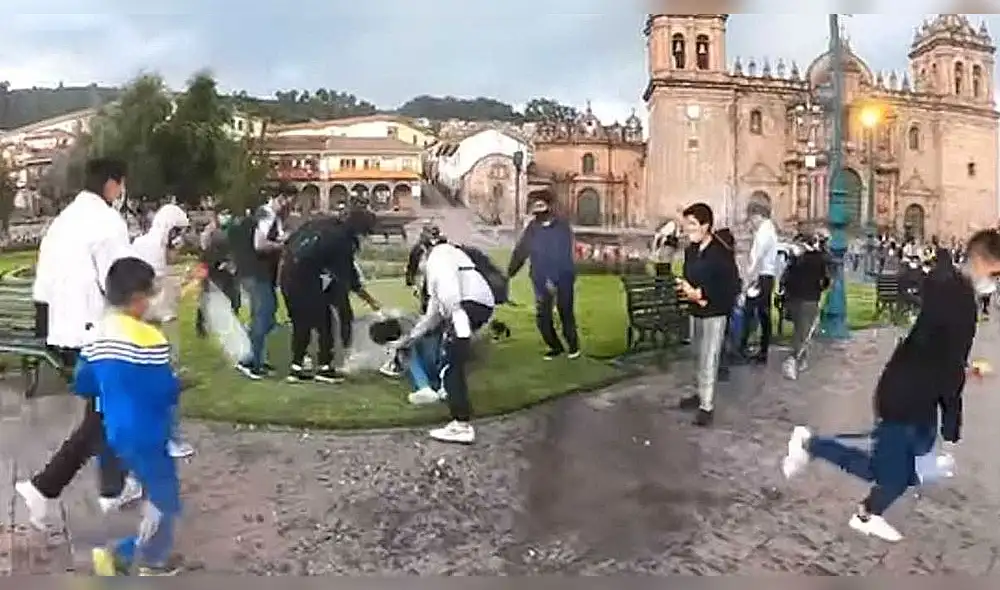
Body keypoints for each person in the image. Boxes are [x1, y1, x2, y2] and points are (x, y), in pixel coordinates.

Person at [780, 229, 1000, 542]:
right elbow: (946, 366)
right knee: (891, 474)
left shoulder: (949, 287)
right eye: (996, 272)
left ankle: (826, 459)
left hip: (911, 392)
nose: (995, 280)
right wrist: (952, 428)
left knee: (905, 465)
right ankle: (852, 496)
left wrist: (962, 367)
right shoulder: (960, 301)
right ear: (980, 261)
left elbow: (936, 347)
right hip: (908, 396)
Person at [17, 158, 139, 529]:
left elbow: (45, 284)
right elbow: (118, 280)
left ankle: (115, 486)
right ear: (112, 185)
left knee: (104, 409)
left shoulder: (64, 220)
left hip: (66, 330)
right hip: (98, 329)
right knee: (104, 415)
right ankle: (43, 488)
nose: (121, 194)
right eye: (121, 186)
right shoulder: (107, 222)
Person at [86, 257, 183, 576]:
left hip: (115, 429)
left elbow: (83, 380)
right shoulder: (149, 338)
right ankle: (136, 558)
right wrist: (179, 382)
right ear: (139, 298)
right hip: (149, 430)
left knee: (154, 489)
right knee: (164, 495)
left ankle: (136, 552)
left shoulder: (96, 332)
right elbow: (163, 390)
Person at [392, 233, 495, 444]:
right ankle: (457, 411)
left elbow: (449, 292)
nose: (421, 272)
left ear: (422, 255)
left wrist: (458, 321)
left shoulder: (437, 257)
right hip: (478, 305)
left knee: (451, 366)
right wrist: (411, 338)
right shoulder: (451, 254)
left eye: (419, 266)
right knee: (452, 362)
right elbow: (432, 314)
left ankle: (461, 425)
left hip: (465, 307)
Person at [280, 209, 380, 382]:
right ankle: (324, 368)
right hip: (307, 279)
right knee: (325, 323)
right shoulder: (342, 240)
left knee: (301, 324)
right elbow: (347, 275)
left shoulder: (319, 224)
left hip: (287, 275)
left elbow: (289, 244)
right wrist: (369, 299)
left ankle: (296, 368)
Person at [131, 203, 193, 459]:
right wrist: (187, 284)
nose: (179, 241)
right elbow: (160, 295)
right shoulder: (155, 252)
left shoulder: (140, 244)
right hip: (157, 325)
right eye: (177, 233)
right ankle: (171, 439)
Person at [675, 203, 740, 427]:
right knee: (696, 354)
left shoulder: (720, 253)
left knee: (708, 359)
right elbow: (689, 273)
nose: (688, 229)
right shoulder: (691, 251)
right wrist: (685, 288)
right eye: (686, 225)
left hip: (714, 312)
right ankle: (698, 393)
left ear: (706, 226)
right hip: (695, 311)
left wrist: (702, 294)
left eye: (693, 225)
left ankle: (707, 406)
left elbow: (730, 285)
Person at [507, 191, 580, 360]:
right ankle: (555, 347)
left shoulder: (562, 227)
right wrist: (510, 272)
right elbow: (521, 251)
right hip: (539, 278)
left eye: (541, 206)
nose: (538, 210)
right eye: (535, 207)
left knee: (565, 312)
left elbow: (561, 254)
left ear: (549, 206)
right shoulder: (532, 228)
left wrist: (553, 279)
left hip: (563, 277)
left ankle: (573, 347)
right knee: (543, 317)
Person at [234, 191, 291, 380]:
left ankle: (256, 357)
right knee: (263, 314)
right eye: (288, 202)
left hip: (259, 273)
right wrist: (281, 246)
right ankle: (249, 361)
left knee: (267, 313)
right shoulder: (266, 215)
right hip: (255, 272)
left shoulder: (273, 218)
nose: (289, 207)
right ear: (279, 199)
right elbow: (259, 244)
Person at [780, 234, 830, 381]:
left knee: (799, 329)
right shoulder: (818, 259)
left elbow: (786, 278)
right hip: (810, 298)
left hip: (794, 297)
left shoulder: (794, 260)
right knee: (804, 331)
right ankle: (794, 359)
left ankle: (800, 359)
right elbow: (825, 279)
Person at [739, 200, 779, 364]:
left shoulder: (763, 233)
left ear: (758, 216)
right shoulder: (770, 230)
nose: (751, 222)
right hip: (766, 276)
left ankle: (744, 348)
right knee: (763, 314)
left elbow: (756, 259)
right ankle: (761, 349)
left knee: (751, 312)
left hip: (760, 277)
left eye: (752, 218)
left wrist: (748, 280)